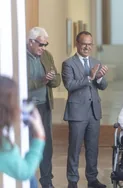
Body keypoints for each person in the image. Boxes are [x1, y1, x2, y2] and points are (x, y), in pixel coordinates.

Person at [62, 31, 108, 188]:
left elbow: (103, 85)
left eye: (90, 44)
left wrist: (100, 77)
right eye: (84, 44)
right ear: (77, 44)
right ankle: (72, 181)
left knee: (93, 148)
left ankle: (92, 179)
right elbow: (69, 85)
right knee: (74, 148)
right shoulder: (68, 63)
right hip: (77, 113)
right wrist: (89, 77)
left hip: (94, 112)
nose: (87, 47)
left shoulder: (96, 61)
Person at [27, 27, 61, 188]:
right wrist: (42, 81)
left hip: (44, 106)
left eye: (46, 44)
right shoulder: (20, 58)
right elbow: (20, 84)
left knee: (46, 146)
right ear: (31, 42)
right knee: (28, 144)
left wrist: (52, 79)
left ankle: (47, 181)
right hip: (26, 108)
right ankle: (28, 180)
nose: (43, 48)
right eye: (41, 44)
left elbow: (57, 79)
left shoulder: (47, 56)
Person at [0, 76, 45, 182]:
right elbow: (25, 172)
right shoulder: (3, 146)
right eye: (15, 101)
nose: (19, 108)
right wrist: (40, 135)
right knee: (32, 181)